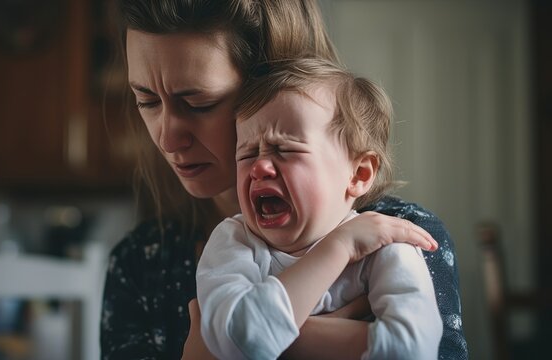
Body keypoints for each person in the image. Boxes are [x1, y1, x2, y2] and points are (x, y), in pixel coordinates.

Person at [100, 0, 468, 359]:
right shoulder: (139, 264)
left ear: (272, 85)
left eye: (200, 104)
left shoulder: (400, 236)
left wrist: (229, 345)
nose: (166, 139)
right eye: (147, 101)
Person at [196, 58, 442, 359]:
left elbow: (413, 350)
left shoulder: (383, 245)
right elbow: (234, 340)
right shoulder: (233, 242)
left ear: (358, 175)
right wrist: (340, 247)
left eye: (284, 149)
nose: (259, 167)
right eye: (246, 154)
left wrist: (266, 342)